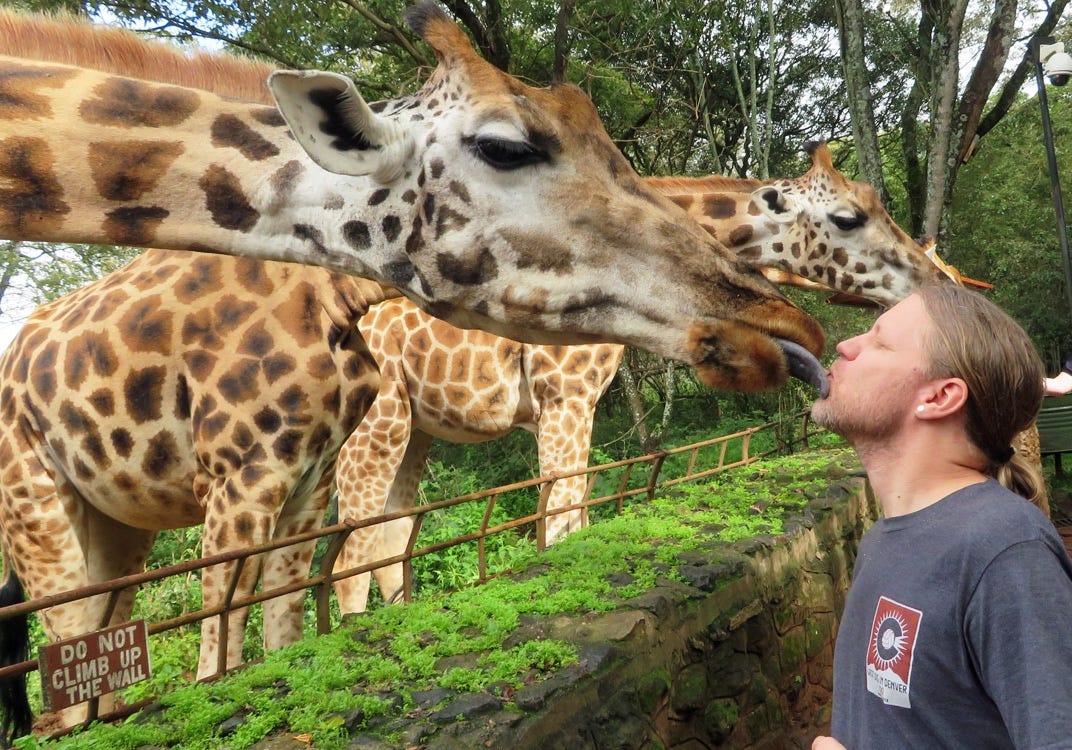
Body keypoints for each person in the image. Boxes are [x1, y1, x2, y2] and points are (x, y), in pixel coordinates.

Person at [809, 284, 1072, 750]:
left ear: (940, 396)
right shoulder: (883, 540)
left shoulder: (1005, 552)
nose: (845, 346)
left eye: (879, 341)